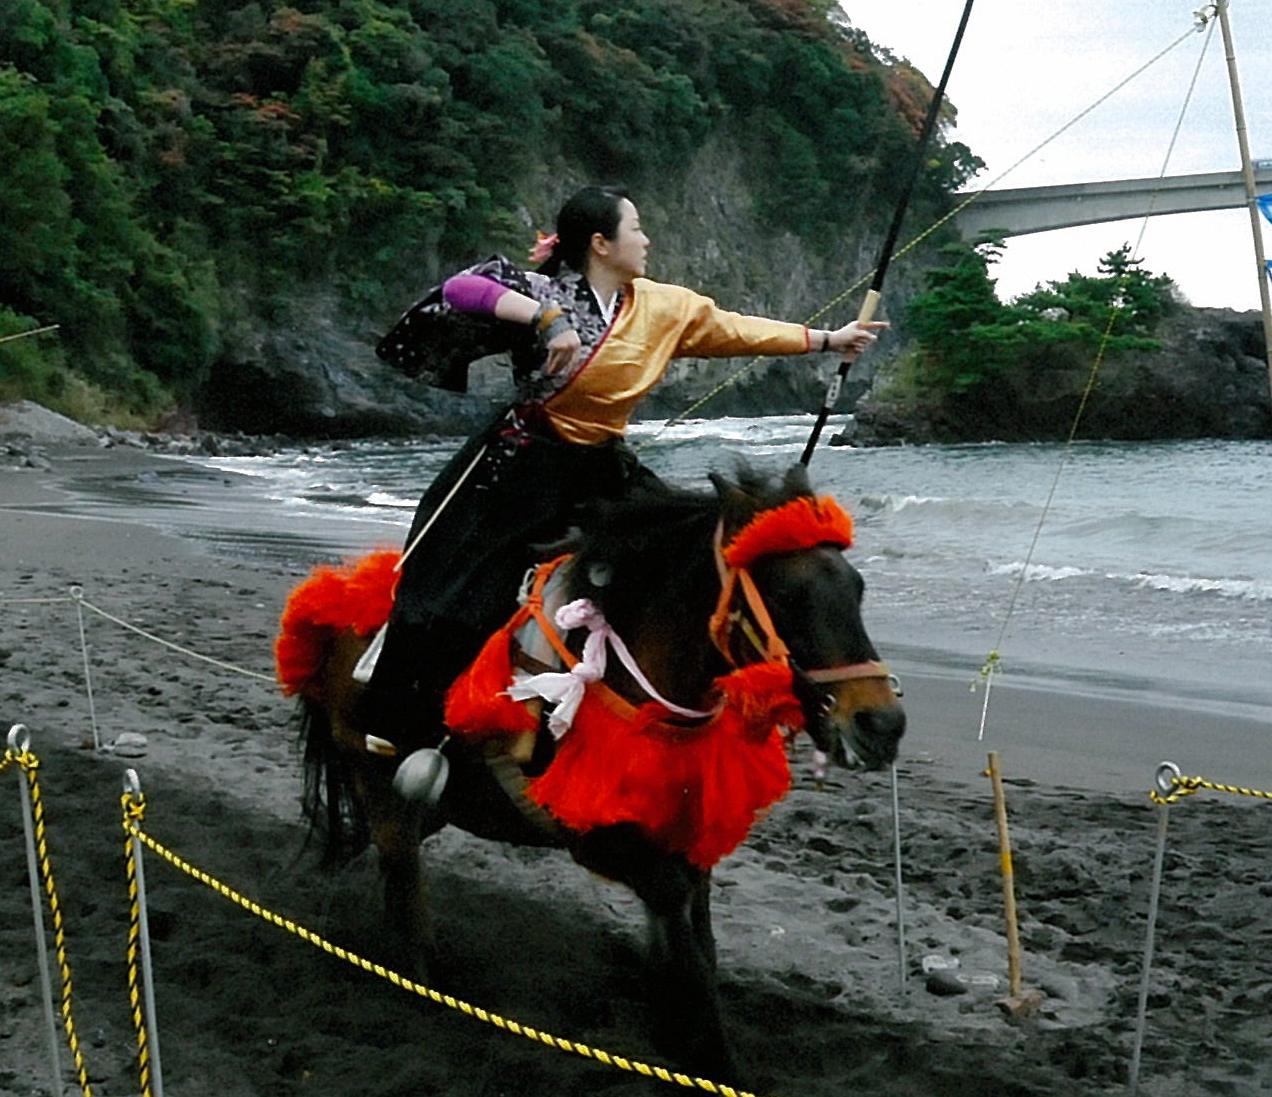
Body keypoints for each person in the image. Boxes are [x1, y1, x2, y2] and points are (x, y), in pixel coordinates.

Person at [353, 185, 881, 784]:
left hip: (602, 467)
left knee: (677, 566)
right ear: (600, 245)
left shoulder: (662, 306)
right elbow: (460, 291)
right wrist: (545, 318)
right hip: (519, 467)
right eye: (636, 228)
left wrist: (827, 341)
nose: (647, 239)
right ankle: (412, 727)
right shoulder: (546, 293)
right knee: (453, 592)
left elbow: (734, 331)